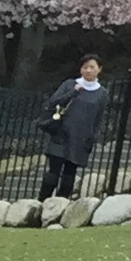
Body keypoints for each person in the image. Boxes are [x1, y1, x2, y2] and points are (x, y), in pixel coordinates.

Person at [37, 56, 109, 202]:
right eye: (85, 67)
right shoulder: (70, 84)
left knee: (69, 174)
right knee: (53, 172)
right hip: (61, 133)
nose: (88, 70)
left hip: (81, 138)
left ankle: (60, 204)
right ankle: (42, 202)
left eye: (92, 67)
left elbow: (98, 118)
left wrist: (92, 138)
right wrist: (73, 93)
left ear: (99, 69)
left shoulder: (102, 93)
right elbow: (53, 102)